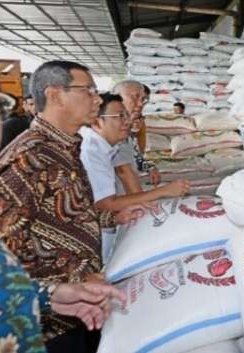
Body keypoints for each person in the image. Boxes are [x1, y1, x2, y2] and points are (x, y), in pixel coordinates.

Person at [0, 61, 143, 352]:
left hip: (76, 304)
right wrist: (67, 284)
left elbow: (65, 210)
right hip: (49, 322)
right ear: (55, 95)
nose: (97, 99)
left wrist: (111, 217)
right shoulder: (30, 157)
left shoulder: (64, 147)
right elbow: (4, 242)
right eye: (88, 91)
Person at [79, 93, 190, 262]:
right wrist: (163, 192)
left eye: (126, 115)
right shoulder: (91, 151)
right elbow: (106, 203)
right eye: (119, 116)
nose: (127, 121)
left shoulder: (104, 147)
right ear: (96, 121)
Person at [111, 80, 159, 192]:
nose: (141, 104)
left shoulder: (126, 129)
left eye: (143, 100)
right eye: (135, 97)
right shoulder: (112, 130)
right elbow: (123, 171)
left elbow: (134, 155)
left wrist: (150, 167)